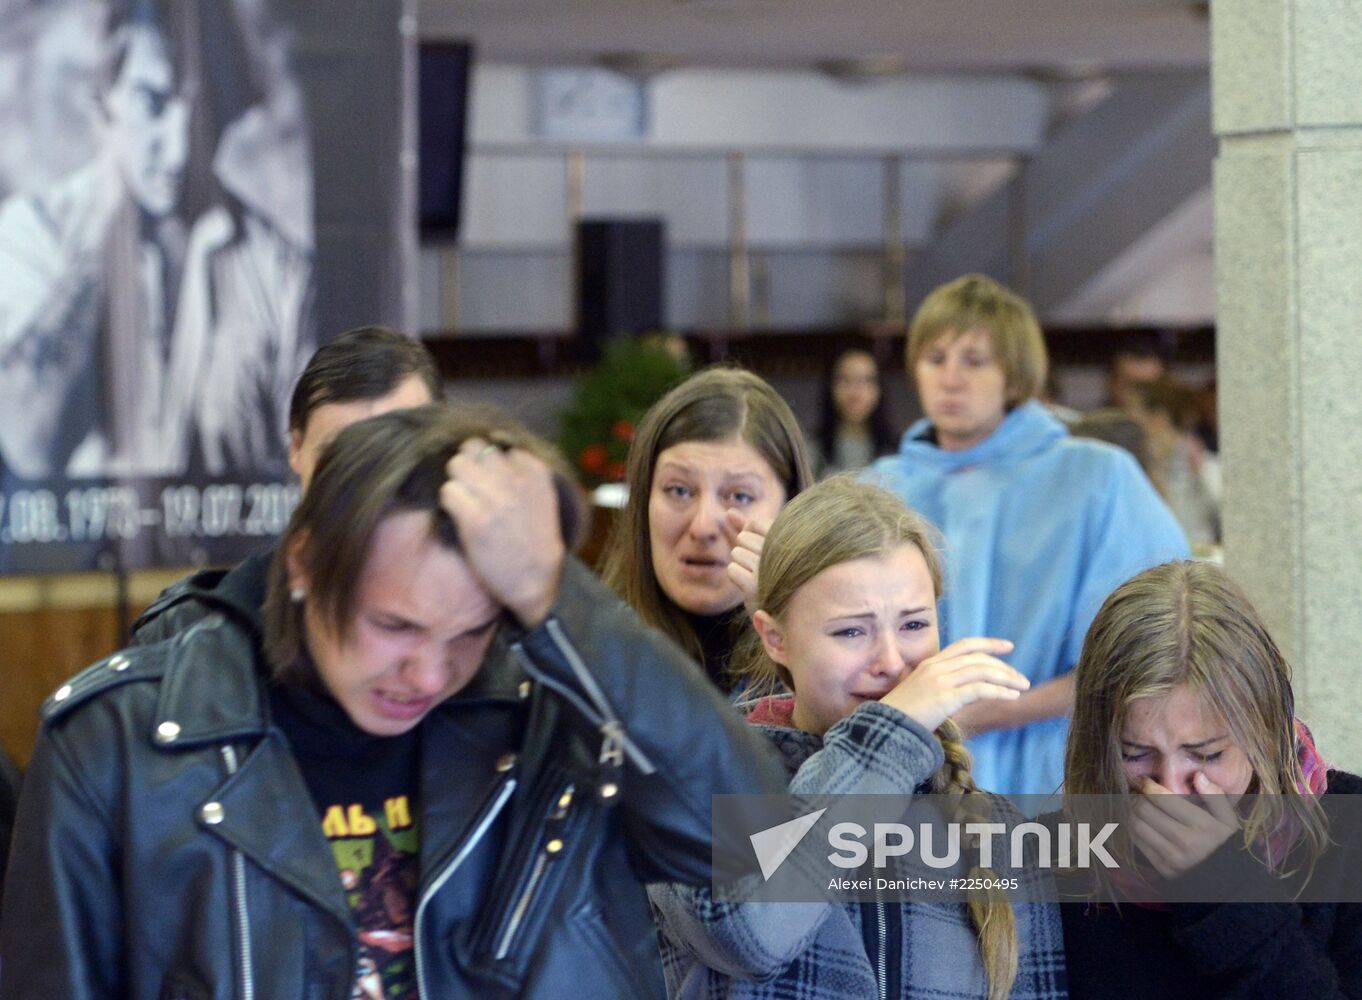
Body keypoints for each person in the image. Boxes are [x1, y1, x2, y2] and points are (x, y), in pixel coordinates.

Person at [0, 405, 788, 999]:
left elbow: (763, 850)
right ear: (305, 563)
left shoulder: (549, 714)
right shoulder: (119, 740)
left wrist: (558, 596)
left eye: (468, 633)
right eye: (392, 625)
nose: (425, 671)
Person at [649, 477, 1067, 1000]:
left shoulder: (996, 828)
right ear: (774, 637)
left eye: (914, 625)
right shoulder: (693, 787)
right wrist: (892, 732)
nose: (891, 663)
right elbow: (746, 931)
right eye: (851, 631)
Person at [869, 274, 1188, 796]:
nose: (951, 378)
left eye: (974, 360)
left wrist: (995, 711)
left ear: (1014, 373)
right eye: (935, 358)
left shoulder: (1096, 478)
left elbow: (1152, 648)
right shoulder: (879, 486)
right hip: (909, 778)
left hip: (1056, 772)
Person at [1057, 560, 1361, 999]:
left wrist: (1224, 886)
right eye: (1135, 755)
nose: (1171, 789)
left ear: (1265, 729)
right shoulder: (1059, 857)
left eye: (1207, 755)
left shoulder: (1348, 833)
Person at [129, 326, 440, 646]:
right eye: (337, 457)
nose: (367, 484)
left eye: (395, 455)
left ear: (438, 454)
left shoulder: (484, 627)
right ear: (296, 449)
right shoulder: (186, 635)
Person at [601, 367, 813, 690]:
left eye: (739, 496)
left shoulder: (840, 660)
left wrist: (784, 624)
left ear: (789, 511)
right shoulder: (588, 651)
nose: (702, 528)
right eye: (679, 491)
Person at [808, 346, 898, 477]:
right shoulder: (810, 451)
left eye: (866, 380)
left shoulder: (897, 454)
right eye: (846, 379)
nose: (856, 391)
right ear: (830, 387)